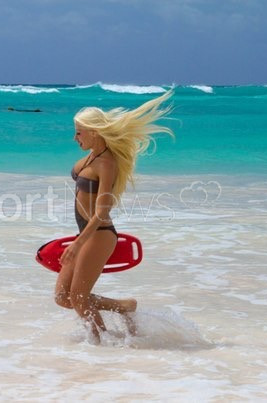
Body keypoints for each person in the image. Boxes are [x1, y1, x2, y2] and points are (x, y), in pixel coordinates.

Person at [54, 90, 175, 343]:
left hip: (98, 235)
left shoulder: (106, 163)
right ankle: (123, 306)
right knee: (63, 297)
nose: (75, 138)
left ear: (94, 132)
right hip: (85, 232)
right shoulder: (92, 156)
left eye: (79, 132)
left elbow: (102, 212)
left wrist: (77, 244)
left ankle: (100, 344)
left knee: (78, 297)